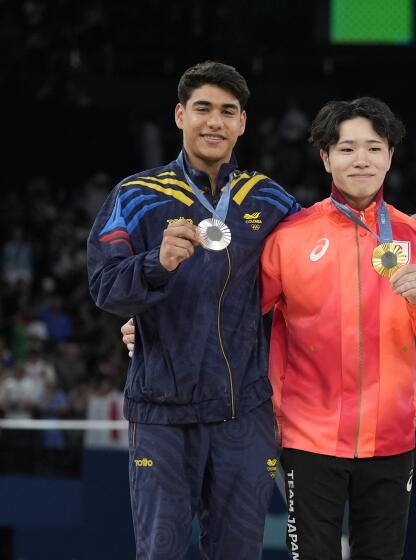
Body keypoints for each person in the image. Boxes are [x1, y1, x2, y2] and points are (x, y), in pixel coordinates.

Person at [87, 61, 299, 559]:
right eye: (202, 108)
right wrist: (155, 265)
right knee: (161, 552)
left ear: (242, 122)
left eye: (228, 111)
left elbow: (330, 248)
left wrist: (399, 227)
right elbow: (104, 285)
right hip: (162, 411)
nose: (214, 122)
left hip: (243, 412)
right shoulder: (136, 196)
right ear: (180, 115)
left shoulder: (268, 199)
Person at [260, 96, 416, 560]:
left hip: (390, 437)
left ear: (391, 155)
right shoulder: (290, 237)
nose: (361, 160)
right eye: (347, 149)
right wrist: (152, 323)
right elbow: (236, 311)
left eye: (374, 148)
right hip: (308, 438)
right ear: (326, 157)